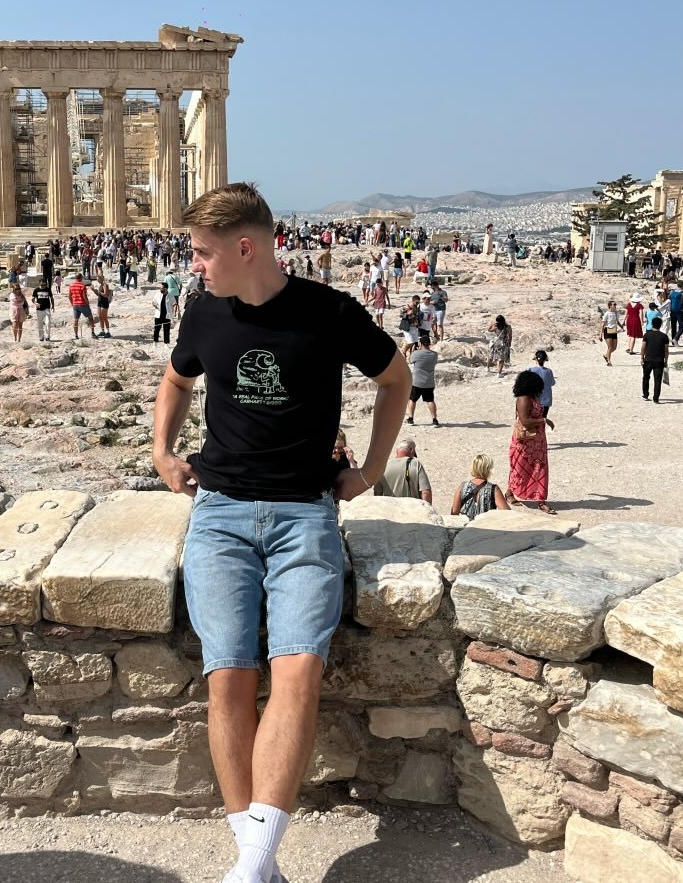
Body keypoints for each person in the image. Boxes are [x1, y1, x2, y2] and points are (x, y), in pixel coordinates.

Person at [152, 182, 409, 883]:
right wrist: (162, 452)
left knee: (298, 671)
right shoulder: (204, 312)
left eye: (202, 252)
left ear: (246, 248)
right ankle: (258, 865)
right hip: (221, 512)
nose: (193, 265)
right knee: (228, 676)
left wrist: (372, 471)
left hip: (304, 514)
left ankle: (252, 867)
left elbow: (396, 379)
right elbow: (176, 381)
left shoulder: (330, 313)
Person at [507, 370, 555, 514]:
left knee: (540, 469)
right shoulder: (523, 399)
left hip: (537, 442)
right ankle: (509, 493)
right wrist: (544, 420)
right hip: (524, 443)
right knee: (519, 469)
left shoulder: (533, 397)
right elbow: (525, 421)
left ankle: (541, 500)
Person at [450, 453, 510, 520]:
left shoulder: (462, 486)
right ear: (488, 469)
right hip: (485, 524)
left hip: (466, 525)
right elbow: (507, 513)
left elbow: (454, 513)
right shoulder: (493, 489)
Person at [374, 439, 432, 503]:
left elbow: (377, 493)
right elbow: (426, 492)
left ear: (397, 450)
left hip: (390, 507)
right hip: (412, 507)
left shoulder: (383, 466)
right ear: (412, 451)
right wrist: (427, 507)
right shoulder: (416, 464)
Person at [405, 332, 439, 427]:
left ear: (421, 344)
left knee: (412, 400)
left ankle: (411, 419)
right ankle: (434, 420)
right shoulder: (434, 355)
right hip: (429, 382)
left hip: (417, 382)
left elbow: (410, 361)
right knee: (430, 400)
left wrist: (412, 351)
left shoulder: (416, 354)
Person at [640, 314, 669, 403]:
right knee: (657, 380)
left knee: (646, 378)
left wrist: (642, 357)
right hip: (659, 361)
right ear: (660, 325)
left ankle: (645, 395)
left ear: (652, 324)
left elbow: (643, 347)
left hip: (648, 360)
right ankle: (656, 398)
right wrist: (666, 361)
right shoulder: (664, 336)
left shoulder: (647, 335)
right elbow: (666, 350)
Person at [527, 350, 556, 417]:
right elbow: (552, 383)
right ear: (545, 359)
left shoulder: (531, 370)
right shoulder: (549, 371)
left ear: (535, 358)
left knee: (533, 419)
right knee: (543, 419)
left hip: (534, 400)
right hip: (546, 400)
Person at [68, 273, 96, 340]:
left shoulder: (71, 285)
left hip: (75, 304)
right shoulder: (82, 285)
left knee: (76, 320)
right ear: (80, 278)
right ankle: (92, 332)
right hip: (83, 304)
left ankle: (76, 335)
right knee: (90, 318)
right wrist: (87, 303)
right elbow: (84, 296)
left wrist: (72, 303)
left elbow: (69, 296)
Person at [31, 277, 54, 342]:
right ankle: (41, 337)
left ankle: (47, 336)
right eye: (42, 285)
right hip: (39, 309)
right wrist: (35, 303)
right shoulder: (36, 290)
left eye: (44, 285)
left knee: (48, 322)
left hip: (47, 308)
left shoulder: (48, 289)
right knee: (40, 323)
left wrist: (53, 306)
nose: (43, 286)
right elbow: (33, 299)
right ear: (39, 284)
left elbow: (51, 298)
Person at [600, 300, 622, 366]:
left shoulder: (616, 313)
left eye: (615, 304)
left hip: (614, 331)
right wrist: (600, 334)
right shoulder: (607, 313)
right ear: (610, 306)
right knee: (610, 347)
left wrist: (621, 326)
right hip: (607, 330)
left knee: (614, 347)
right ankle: (609, 361)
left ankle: (606, 355)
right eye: (614, 304)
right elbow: (603, 323)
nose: (615, 306)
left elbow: (617, 321)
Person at [94, 273, 113, 338]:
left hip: (104, 302)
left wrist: (98, 292)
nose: (97, 280)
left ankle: (108, 332)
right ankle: (102, 331)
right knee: (99, 317)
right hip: (99, 302)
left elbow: (105, 294)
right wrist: (94, 291)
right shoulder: (100, 285)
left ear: (101, 278)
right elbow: (99, 294)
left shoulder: (105, 285)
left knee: (104, 317)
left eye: (98, 279)